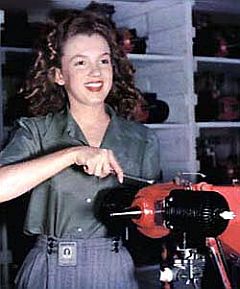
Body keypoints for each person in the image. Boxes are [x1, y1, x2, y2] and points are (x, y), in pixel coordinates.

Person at [0, 4, 161, 289]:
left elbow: (152, 223)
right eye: (80, 62)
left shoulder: (143, 139)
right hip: (50, 270)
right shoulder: (36, 131)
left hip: (115, 269)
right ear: (59, 76)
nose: (96, 72)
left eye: (103, 61)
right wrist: (72, 154)